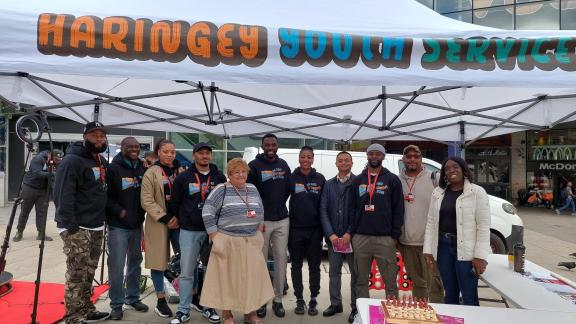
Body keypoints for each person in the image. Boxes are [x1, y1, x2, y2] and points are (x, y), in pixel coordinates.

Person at [201, 158, 274, 324]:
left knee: (252, 279)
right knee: (228, 280)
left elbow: (260, 210)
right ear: (229, 175)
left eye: (243, 171)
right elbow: (207, 212)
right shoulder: (222, 189)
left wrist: (259, 231)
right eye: (236, 172)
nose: (241, 175)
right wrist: (214, 236)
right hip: (228, 240)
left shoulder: (253, 188)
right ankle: (227, 314)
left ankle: (250, 313)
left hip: (251, 241)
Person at [53, 121, 110, 324]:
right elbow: (62, 194)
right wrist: (71, 227)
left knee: (89, 271)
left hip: (96, 225)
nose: (99, 139)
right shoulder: (72, 161)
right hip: (77, 226)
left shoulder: (100, 160)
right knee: (77, 273)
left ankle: (87, 308)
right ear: (85, 136)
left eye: (102, 136)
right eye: (95, 135)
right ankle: (74, 316)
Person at [170, 143, 226, 324]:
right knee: (186, 272)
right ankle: (183, 310)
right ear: (194, 155)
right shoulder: (183, 177)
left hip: (213, 233)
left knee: (211, 272)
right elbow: (175, 202)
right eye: (201, 153)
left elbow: (225, 202)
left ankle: (209, 308)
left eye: (207, 153)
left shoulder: (219, 177)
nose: (204, 156)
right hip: (189, 231)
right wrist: (181, 219)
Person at [423, 156, 491, 306]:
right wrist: (428, 250)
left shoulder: (476, 192)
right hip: (443, 248)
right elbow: (431, 223)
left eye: (455, 167)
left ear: (463, 169)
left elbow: (484, 226)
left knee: (469, 295)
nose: (451, 170)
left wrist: (480, 256)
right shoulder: (438, 193)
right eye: (447, 169)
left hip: (466, 249)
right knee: (450, 293)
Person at [351, 143, 404, 302]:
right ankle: (361, 311)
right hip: (361, 237)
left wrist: (394, 234)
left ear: (383, 156)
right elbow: (352, 208)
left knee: (390, 281)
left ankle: (392, 311)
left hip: (385, 239)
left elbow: (398, 208)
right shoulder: (358, 180)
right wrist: (353, 233)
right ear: (367, 156)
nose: (374, 156)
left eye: (378, 154)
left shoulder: (392, 179)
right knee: (361, 281)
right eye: (371, 153)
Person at [247, 134, 291, 318]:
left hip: (282, 220)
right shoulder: (254, 166)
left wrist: (278, 205)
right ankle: (261, 301)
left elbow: (288, 190)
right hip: (262, 223)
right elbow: (249, 193)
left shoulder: (284, 165)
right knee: (260, 262)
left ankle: (278, 300)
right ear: (262, 146)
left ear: (277, 146)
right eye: (267, 144)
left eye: (274, 144)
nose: (271, 147)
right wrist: (258, 219)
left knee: (281, 261)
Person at [106, 137, 149, 320]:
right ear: (121, 148)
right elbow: (104, 196)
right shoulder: (112, 168)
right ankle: (116, 304)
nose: (134, 149)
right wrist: (119, 211)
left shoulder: (141, 166)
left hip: (137, 224)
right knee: (116, 266)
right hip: (118, 226)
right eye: (130, 146)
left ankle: (133, 297)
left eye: (137, 147)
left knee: (135, 263)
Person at [141, 139, 182, 318]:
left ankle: (192, 296)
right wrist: (166, 218)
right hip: (159, 222)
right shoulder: (151, 172)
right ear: (158, 152)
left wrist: (180, 217)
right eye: (166, 151)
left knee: (187, 259)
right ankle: (161, 300)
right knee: (158, 262)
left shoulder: (181, 171)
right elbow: (146, 200)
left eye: (172, 152)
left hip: (180, 222)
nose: (169, 155)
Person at [398, 145, 444, 303]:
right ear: (403, 159)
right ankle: (421, 314)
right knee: (417, 283)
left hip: (429, 243)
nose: (412, 159)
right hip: (406, 242)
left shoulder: (434, 178)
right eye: (408, 156)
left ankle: (439, 314)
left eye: (416, 156)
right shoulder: (398, 180)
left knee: (434, 284)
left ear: (421, 159)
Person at [319, 151, 358, 323]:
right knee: (334, 272)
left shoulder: (358, 183)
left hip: (352, 238)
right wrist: (331, 234)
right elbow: (323, 210)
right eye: (340, 161)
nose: (343, 163)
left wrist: (349, 232)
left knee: (355, 274)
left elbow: (358, 211)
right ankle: (336, 304)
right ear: (336, 164)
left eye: (346, 160)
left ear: (351, 163)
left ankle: (355, 307)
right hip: (333, 239)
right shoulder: (328, 185)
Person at [288, 146, 325, 316]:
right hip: (295, 230)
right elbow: (280, 198)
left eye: (309, 157)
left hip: (315, 230)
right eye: (303, 156)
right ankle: (299, 299)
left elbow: (325, 206)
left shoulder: (320, 179)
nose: (305, 159)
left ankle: (313, 299)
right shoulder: (291, 177)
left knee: (314, 266)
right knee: (296, 265)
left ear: (313, 159)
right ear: (299, 158)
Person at [13, 149, 63, 242]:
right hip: (30, 188)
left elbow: (58, 174)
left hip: (43, 190)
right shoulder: (38, 159)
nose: (57, 162)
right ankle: (19, 232)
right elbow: (37, 173)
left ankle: (41, 233)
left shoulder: (54, 162)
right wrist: (53, 174)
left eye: (59, 160)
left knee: (42, 212)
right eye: (56, 159)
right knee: (25, 211)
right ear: (50, 156)